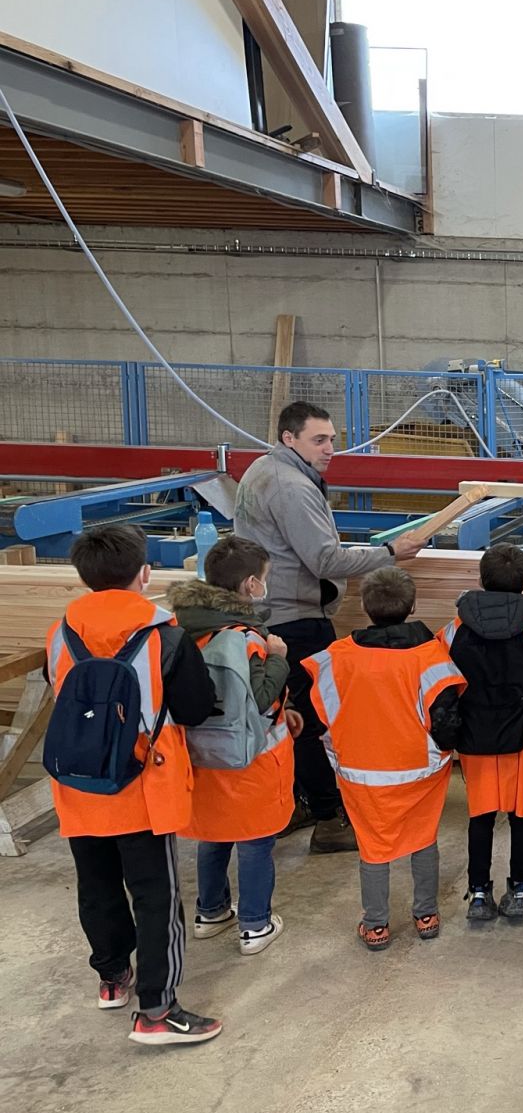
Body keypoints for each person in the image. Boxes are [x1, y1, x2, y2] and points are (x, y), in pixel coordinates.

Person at [45, 524, 221, 1044]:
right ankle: (157, 1011)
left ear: (83, 576)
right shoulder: (165, 635)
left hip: (78, 778)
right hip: (145, 783)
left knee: (95, 883)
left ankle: (112, 977)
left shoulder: (61, 631)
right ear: (144, 574)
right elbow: (192, 707)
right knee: (155, 895)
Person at [234, 400, 424, 854]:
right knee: (313, 721)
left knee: (283, 715)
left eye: (333, 439)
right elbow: (323, 559)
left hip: (270, 613)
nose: (330, 448)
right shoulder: (291, 487)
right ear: (289, 438)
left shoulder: (263, 469)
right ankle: (329, 816)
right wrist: (391, 553)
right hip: (295, 620)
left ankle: (294, 802)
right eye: (319, 440)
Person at [300, 568, 465, 951]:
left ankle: (376, 924)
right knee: (423, 839)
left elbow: (321, 716)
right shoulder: (432, 656)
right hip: (420, 770)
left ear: (364, 606)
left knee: (373, 846)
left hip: (360, 772)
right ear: (412, 606)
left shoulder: (335, 658)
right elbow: (446, 721)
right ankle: (426, 914)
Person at [171, 536, 298, 957]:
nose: (266, 584)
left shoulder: (183, 628)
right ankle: (255, 924)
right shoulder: (247, 638)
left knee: (213, 834)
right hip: (250, 759)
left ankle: (211, 912)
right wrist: (279, 657)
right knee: (255, 840)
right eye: (264, 578)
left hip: (200, 756)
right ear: (249, 585)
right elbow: (258, 699)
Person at [440, 544, 523, 922]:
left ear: (481, 579)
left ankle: (479, 892)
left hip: (475, 737)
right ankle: (520, 891)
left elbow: (444, 687)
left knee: (480, 815)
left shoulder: (453, 629)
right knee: (522, 816)